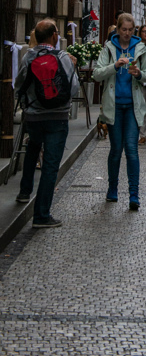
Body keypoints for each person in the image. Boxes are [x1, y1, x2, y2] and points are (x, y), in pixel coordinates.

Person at [15, 19, 80, 227]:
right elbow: (74, 88)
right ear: (54, 36)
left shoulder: (29, 56)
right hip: (57, 118)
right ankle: (41, 215)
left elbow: (19, 85)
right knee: (50, 166)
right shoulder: (64, 57)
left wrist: (28, 107)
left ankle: (25, 191)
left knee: (32, 147)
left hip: (34, 116)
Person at [93, 12, 146, 210]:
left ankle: (134, 195)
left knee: (132, 150)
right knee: (116, 150)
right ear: (117, 30)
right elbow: (97, 74)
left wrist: (138, 74)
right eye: (123, 30)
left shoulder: (140, 48)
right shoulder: (109, 48)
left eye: (130, 30)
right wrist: (114, 65)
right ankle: (112, 189)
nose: (127, 33)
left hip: (133, 107)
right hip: (115, 106)